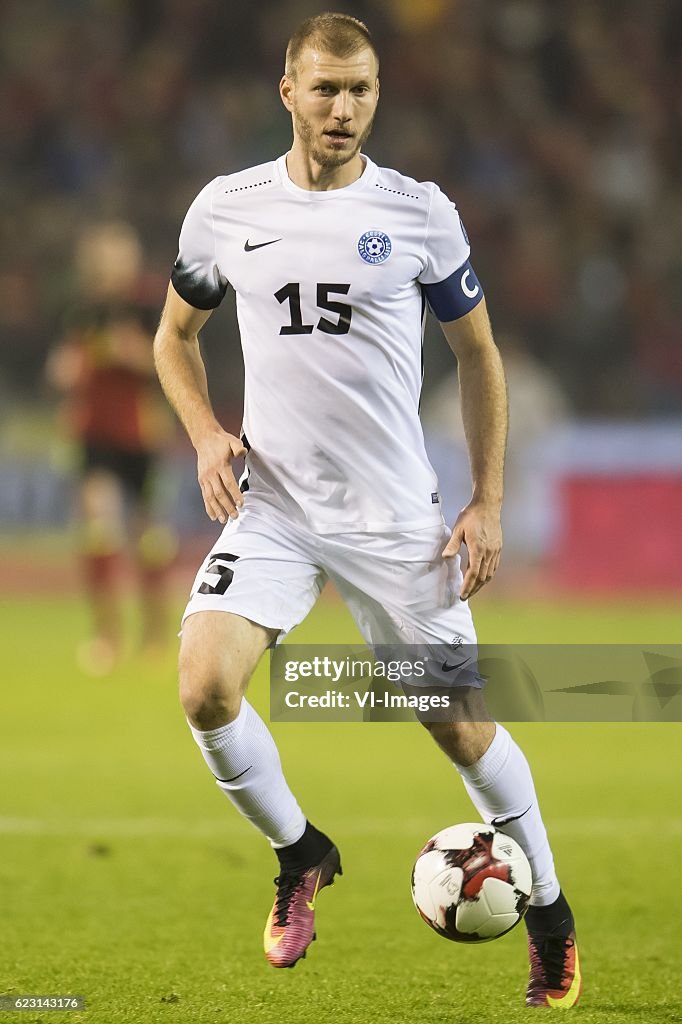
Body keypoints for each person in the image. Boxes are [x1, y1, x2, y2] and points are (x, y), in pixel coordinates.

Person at [153, 13, 581, 1009]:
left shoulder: (420, 213)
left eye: (361, 91)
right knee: (204, 688)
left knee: (460, 730)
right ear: (288, 92)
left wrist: (488, 497)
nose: (343, 110)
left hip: (393, 519)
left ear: (375, 97)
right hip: (275, 507)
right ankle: (300, 850)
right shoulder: (225, 207)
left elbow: (478, 354)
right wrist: (208, 433)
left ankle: (551, 909)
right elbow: (175, 338)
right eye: (325, 90)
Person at [47, 222, 175, 673]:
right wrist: (66, 370)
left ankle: (157, 636)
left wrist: (131, 352)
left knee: (150, 540)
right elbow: (64, 366)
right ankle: (107, 637)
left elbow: (165, 360)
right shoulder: (82, 313)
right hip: (94, 436)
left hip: (139, 436)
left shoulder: (145, 308)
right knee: (99, 529)